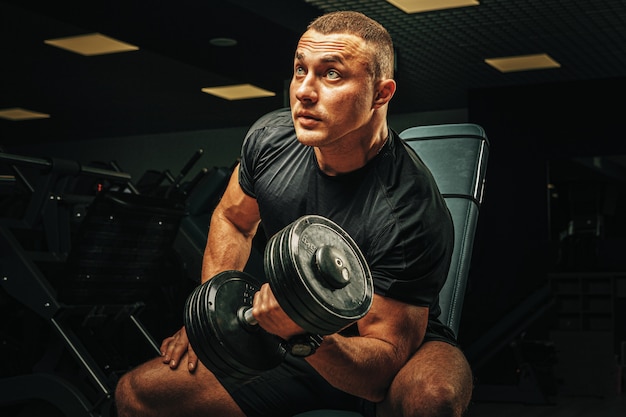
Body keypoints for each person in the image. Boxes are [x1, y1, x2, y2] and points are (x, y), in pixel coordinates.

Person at [114, 10, 473, 417]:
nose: (303, 90)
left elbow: (380, 370)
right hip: (290, 336)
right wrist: (214, 316)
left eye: (332, 74)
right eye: (300, 70)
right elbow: (233, 220)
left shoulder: (410, 208)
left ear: (381, 93)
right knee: (137, 394)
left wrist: (302, 334)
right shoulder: (270, 141)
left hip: (388, 354)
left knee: (433, 399)